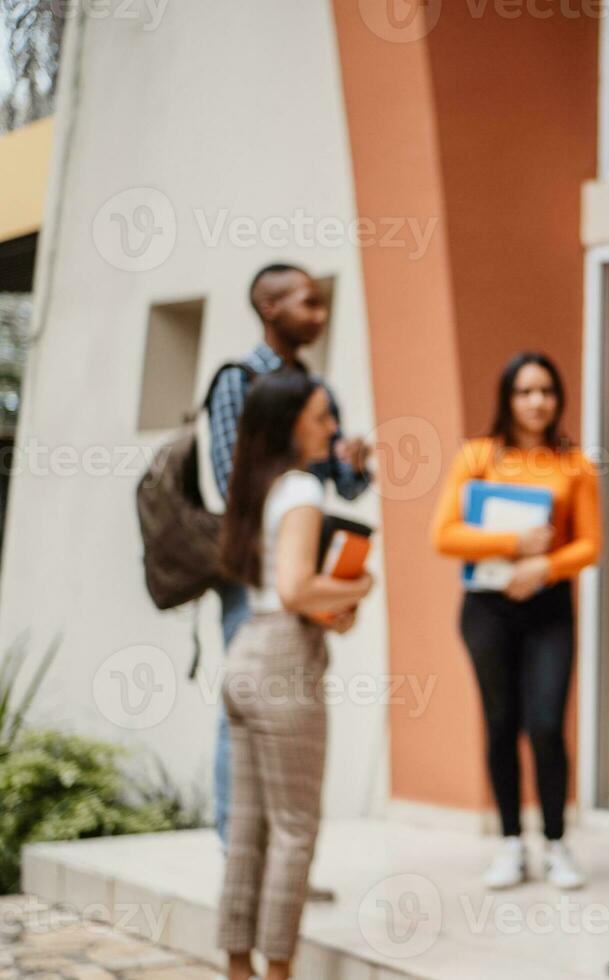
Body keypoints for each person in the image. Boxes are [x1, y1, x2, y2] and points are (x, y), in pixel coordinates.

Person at [216, 370, 374, 980]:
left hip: (245, 653)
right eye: (320, 416)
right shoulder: (303, 489)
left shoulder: (258, 486)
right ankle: (278, 970)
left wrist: (330, 603)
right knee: (294, 829)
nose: (332, 427)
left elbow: (280, 591)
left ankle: (237, 964)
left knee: (248, 828)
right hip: (283, 662)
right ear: (290, 424)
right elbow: (295, 589)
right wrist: (364, 581)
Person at [209, 263, 373, 846]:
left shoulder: (316, 389)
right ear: (269, 307)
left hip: (299, 564)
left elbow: (341, 486)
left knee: (285, 725)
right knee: (247, 716)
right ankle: (239, 846)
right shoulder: (237, 382)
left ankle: (273, 857)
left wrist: (351, 465)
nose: (321, 316)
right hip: (254, 578)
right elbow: (237, 488)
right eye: (309, 303)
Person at [430, 351, 601, 891]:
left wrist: (542, 566)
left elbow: (591, 545)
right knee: (500, 723)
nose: (537, 402)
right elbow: (444, 534)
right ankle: (510, 843)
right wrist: (511, 544)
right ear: (508, 397)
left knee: (546, 724)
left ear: (559, 398)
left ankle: (555, 842)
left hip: (549, 608)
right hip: (487, 608)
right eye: (525, 391)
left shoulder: (576, 465)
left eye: (546, 391)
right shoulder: (478, 456)